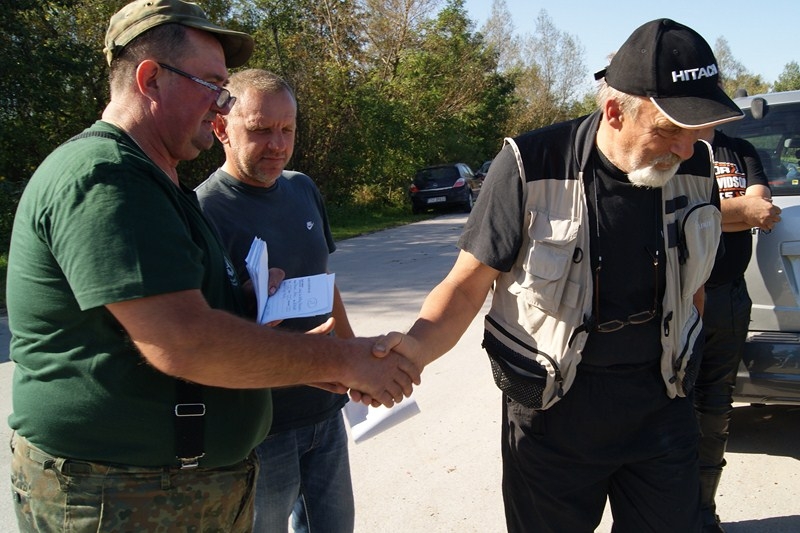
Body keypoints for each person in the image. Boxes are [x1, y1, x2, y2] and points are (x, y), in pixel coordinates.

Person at [5, 1, 418, 531]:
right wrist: (341, 359)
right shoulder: (107, 178)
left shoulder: (156, 182)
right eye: (212, 86)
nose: (220, 103)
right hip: (120, 495)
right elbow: (183, 341)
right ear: (150, 79)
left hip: (162, 490)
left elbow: (176, 316)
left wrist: (246, 308)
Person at [364, 19, 744, 532]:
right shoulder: (530, 164)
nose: (685, 149)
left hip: (661, 410)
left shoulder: (695, 167)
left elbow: (692, 286)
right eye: (669, 130)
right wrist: (412, 350)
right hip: (552, 414)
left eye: (696, 132)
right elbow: (467, 285)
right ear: (615, 112)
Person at [195, 69, 355, 533]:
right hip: (261, 429)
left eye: (287, 129)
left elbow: (324, 281)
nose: (278, 145)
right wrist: (244, 309)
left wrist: (353, 356)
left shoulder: (303, 188)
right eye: (261, 129)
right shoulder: (202, 211)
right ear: (221, 127)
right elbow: (197, 332)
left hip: (326, 411)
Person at [695, 129, 781, 532]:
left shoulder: (740, 149)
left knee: (715, 407)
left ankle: (703, 514)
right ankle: (668, 512)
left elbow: (761, 210)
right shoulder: (676, 146)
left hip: (730, 296)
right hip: (677, 296)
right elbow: (673, 215)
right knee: (669, 405)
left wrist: (714, 213)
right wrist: (737, 210)